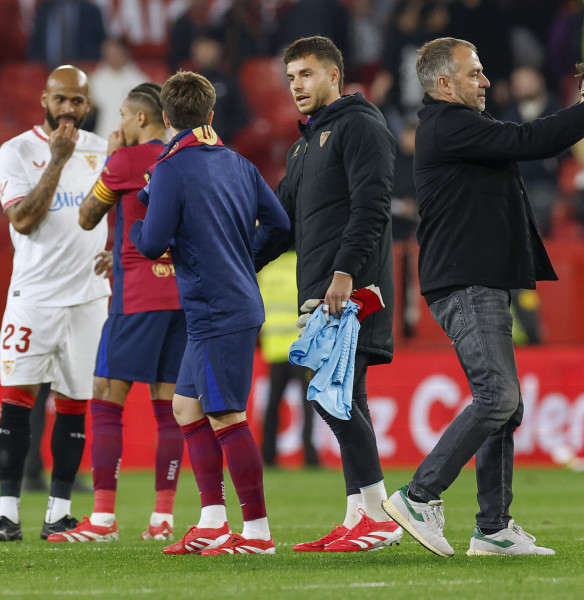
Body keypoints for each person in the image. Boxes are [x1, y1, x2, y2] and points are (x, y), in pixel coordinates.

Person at [381, 36, 584, 557]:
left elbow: (520, 142)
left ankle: (493, 528)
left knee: (507, 406)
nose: (485, 80)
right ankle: (418, 496)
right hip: (466, 279)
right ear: (443, 84)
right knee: (497, 397)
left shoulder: (456, 127)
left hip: (478, 278)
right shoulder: (449, 124)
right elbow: (529, 140)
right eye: (474, 72)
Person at [130, 71, 291, 555]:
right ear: (211, 115)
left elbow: (153, 241)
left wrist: (136, 229)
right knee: (186, 406)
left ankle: (258, 533)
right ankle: (213, 520)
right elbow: (280, 224)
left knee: (225, 414)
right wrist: (248, 258)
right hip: (216, 308)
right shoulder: (239, 163)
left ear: (164, 117)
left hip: (218, 310)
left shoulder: (172, 170)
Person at [46, 83, 187, 543]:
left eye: (123, 115)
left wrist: (111, 158)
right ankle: (163, 517)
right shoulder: (183, 157)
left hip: (138, 299)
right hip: (182, 298)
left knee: (106, 397)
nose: (118, 124)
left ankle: (102, 519)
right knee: (170, 410)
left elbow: (87, 215)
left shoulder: (126, 159)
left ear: (141, 118)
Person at [277, 36, 401, 553]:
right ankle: (357, 516)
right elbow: (281, 224)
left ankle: (379, 516)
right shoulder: (304, 146)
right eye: (290, 79)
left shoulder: (359, 125)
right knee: (344, 399)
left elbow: (373, 205)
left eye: (306, 74)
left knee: (339, 401)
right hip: (321, 291)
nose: (296, 86)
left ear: (334, 75)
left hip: (349, 290)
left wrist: (346, 272)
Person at [0, 66, 109, 542]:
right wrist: (58, 161)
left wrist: (117, 251)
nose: (68, 109)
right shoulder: (16, 152)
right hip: (34, 298)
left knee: (74, 405)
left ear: (88, 105)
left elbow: (123, 208)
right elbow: (22, 220)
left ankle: (59, 514)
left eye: (77, 102)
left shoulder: (102, 151)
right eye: (61, 99)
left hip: (88, 299)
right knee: (16, 406)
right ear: (45, 98)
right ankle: (6, 513)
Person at [258, 250, 319, 468]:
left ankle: (268, 456)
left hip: (274, 347)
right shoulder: (302, 265)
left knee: (273, 404)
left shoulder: (267, 269)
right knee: (308, 403)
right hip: (301, 348)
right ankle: (310, 457)